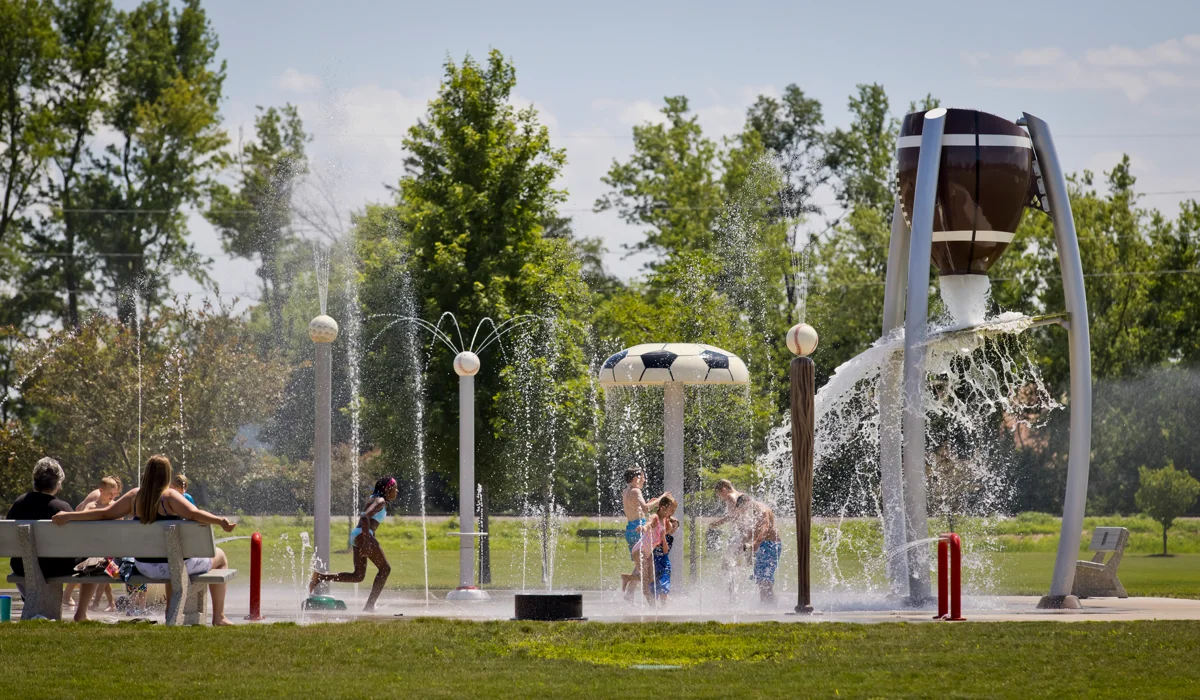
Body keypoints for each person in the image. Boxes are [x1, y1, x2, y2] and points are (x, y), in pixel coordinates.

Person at [52, 455, 237, 626]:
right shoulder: (170, 497)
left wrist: (69, 516)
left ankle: (170, 611)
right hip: (173, 565)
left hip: (144, 567)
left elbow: (104, 513)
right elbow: (195, 514)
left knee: (170, 559)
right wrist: (220, 521)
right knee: (219, 557)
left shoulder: (134, 496)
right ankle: (218, 617)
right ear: (167, 475)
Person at [5, 457, 98, 622]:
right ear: (57, 483)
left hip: (23, 566)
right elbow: (76, 543)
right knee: (95, 560)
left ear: (35, 481)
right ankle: (81, 613)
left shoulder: (18, 504)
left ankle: (34, 603)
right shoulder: (61, 508)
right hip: (56, 568)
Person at [309, 476, 399, 612]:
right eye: (395, 488)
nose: (397, 491)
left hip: (358, 534)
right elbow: (364, 517)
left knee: (358, 576)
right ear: (388, 489)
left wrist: (367, 538)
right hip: (363, 535)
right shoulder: (379, 501)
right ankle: (369, 606)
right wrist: (367, 542)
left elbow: (367, 520)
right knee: (385, 569)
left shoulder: (375, 499)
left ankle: (321, 576)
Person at [63, 476, 123, 611]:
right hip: (94, 549)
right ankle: (106, 603)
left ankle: (101, 602)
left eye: (115, 494)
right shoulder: (91, 506)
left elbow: (121, 527)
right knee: (103, 568)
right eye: (110, 494)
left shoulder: (115, 507)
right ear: (100, 491)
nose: (113, 497)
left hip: (109, 549)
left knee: (106, 568)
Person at [619, 468, 669, 594]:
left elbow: (638, 507)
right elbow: (645, 509)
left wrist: (651, 503)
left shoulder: (626, 491)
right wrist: (661, 498)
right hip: (639, 528)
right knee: (646, 566)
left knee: (639, 564)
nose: (644, 480)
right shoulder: (636, 491)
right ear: (636, 478)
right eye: (643, 477)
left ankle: (630, 594)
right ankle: (647, 595)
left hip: (630, 529)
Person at [628, 495, 678, 604]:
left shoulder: (666, 522)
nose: (673, 512)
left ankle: (628, 579)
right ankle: (652, 608)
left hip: (648, 553)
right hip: (639, 550)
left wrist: (672, 521)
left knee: (651, 581)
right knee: (646, 582)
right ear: (663, 507)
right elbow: (649, 524)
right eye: (672, 510)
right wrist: (643, 528)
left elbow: (670, 529)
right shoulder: (655, 517)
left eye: (674, 510)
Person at [739, 495, 782, 604]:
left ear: (747, 502)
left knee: (766, 579)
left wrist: (756, 543)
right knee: (760, 579)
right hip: (763, 545)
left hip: (770, 545)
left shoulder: (761, 509)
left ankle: (770, 605)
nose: (744, 512)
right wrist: (741, 544)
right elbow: (753, 529)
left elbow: (765, 528)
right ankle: (766, 604)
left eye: (744, 509)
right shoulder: (754, 511)